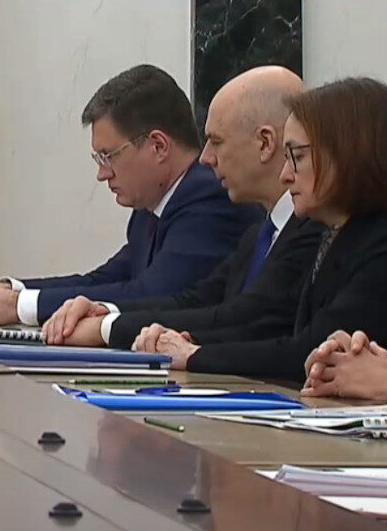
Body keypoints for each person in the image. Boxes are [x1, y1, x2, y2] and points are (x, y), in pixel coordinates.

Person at [0, 64, 260, 325]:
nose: (102, 174)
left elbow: (153, 294)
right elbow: (106, 279)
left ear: (157, 146)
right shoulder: (153, 205)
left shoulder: (209, 198)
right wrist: (9, 290)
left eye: (109, 156)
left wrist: (18, 308)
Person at [42, 66, 323, 348]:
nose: (205, 158)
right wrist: (105, 312)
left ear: (265, 143)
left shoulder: (312, 229)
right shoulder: (258, 236)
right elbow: (197, 300)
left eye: (216, 142)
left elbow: (245, 319)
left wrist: (106, 328)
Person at [135, 77, 387, 381]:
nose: (285, 175)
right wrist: (185, 343)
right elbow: (273, 328)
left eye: (297, 157)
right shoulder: (333, 234)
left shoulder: (377, 244)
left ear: (349, 153)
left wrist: (194, 354)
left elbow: (309, 350)